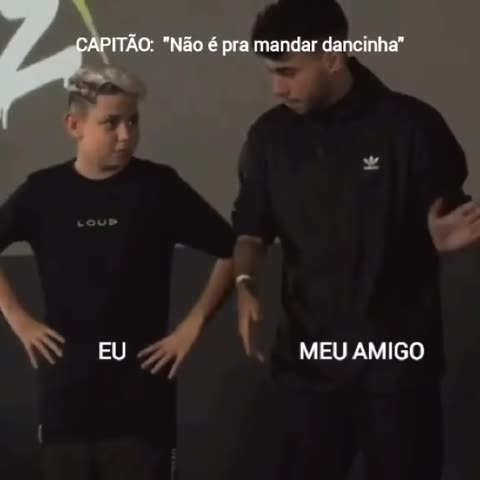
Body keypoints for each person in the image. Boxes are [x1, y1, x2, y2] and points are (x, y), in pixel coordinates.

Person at [231, 1, 471, 479]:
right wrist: (244, 282)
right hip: (307, 370)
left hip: (397, 370)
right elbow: (250, 230)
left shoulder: (412, 127)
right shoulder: (268, 137)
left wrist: (443, 236)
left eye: (289, 72)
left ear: (333, 58)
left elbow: (447, 215)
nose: (278, 88)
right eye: (272, 72)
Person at [0, 65, 234, 480]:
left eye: (133, 121)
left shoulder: (159, 187)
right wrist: (18, 318)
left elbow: (235, 250)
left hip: (141, 409)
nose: (126, 135)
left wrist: (194, 324)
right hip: (65, 405)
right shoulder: (43, 191)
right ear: (74, 125)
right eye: (111, 123)